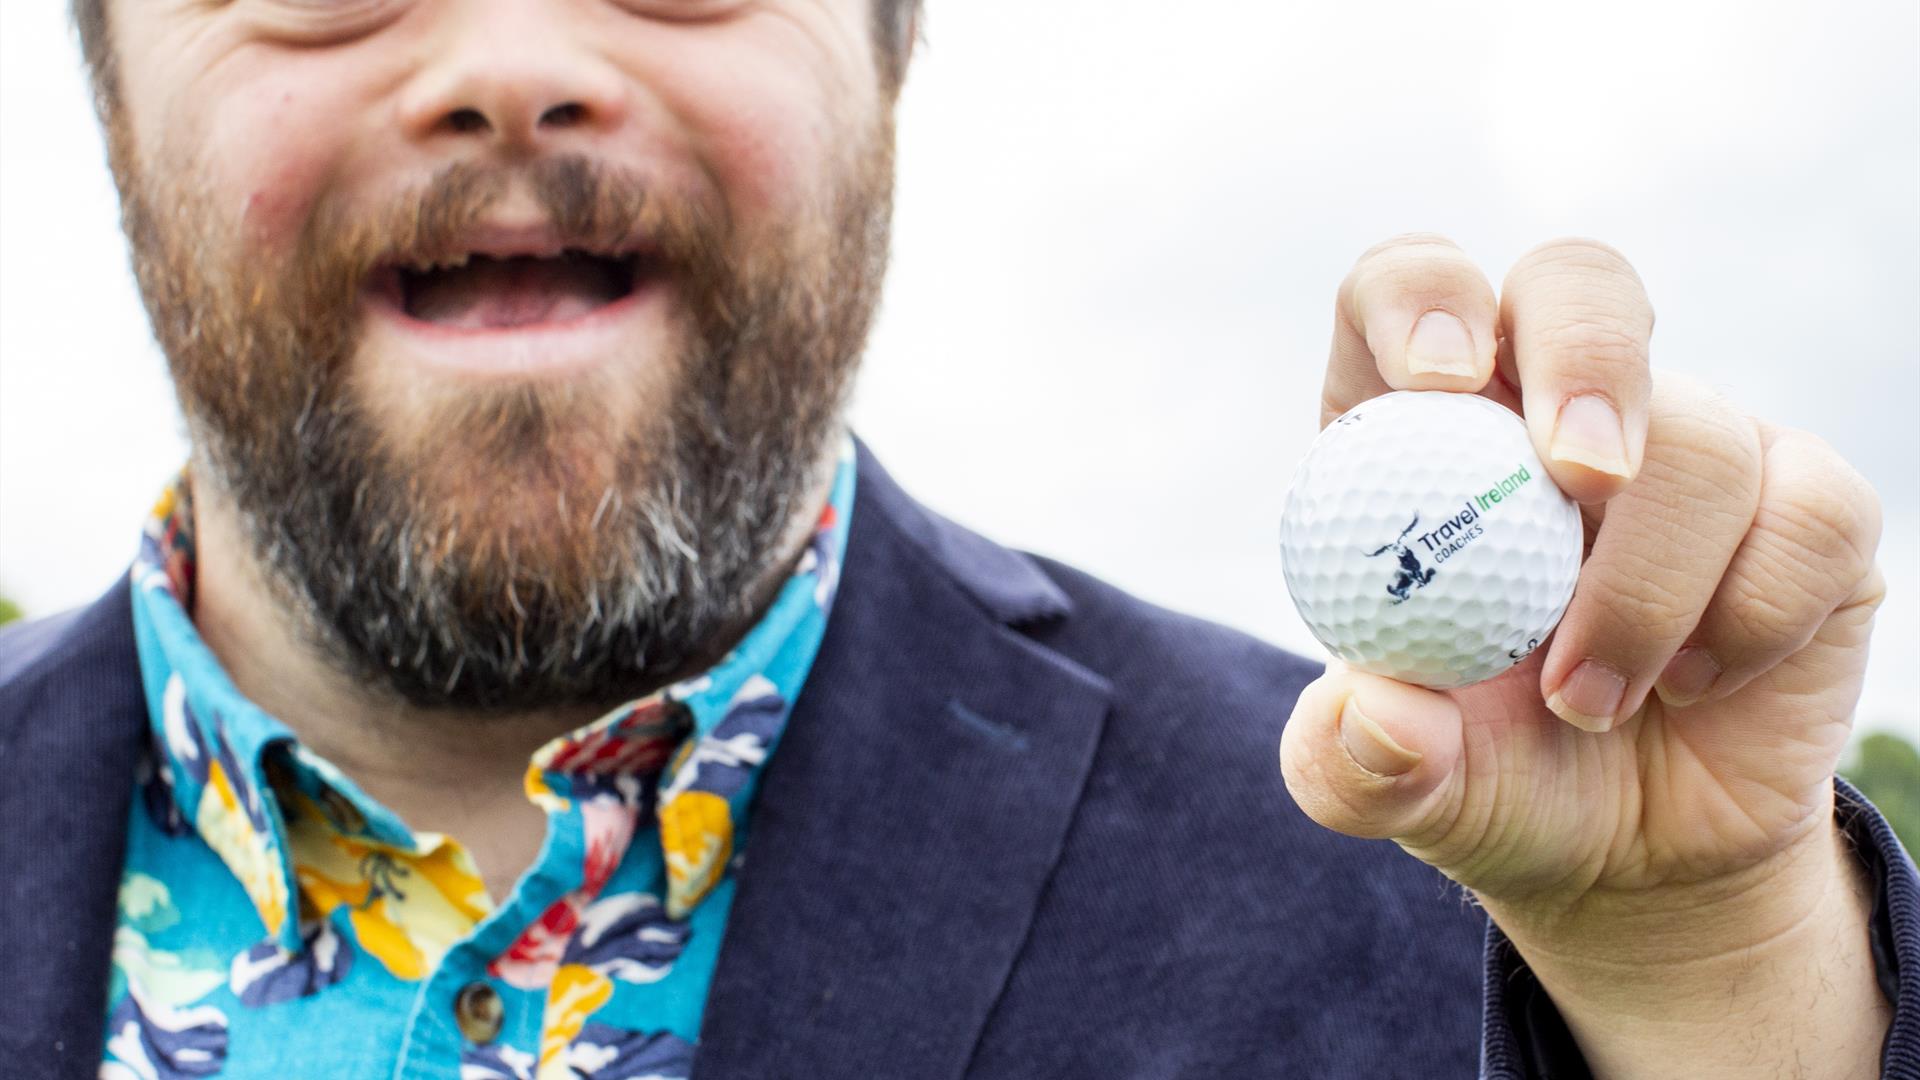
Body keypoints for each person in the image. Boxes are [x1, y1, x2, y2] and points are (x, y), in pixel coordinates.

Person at [0, 1, 1912, 1076]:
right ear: (102, 62)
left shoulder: (1443, 919)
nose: (514, 56)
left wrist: (1715, 984)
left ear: (889, 52)